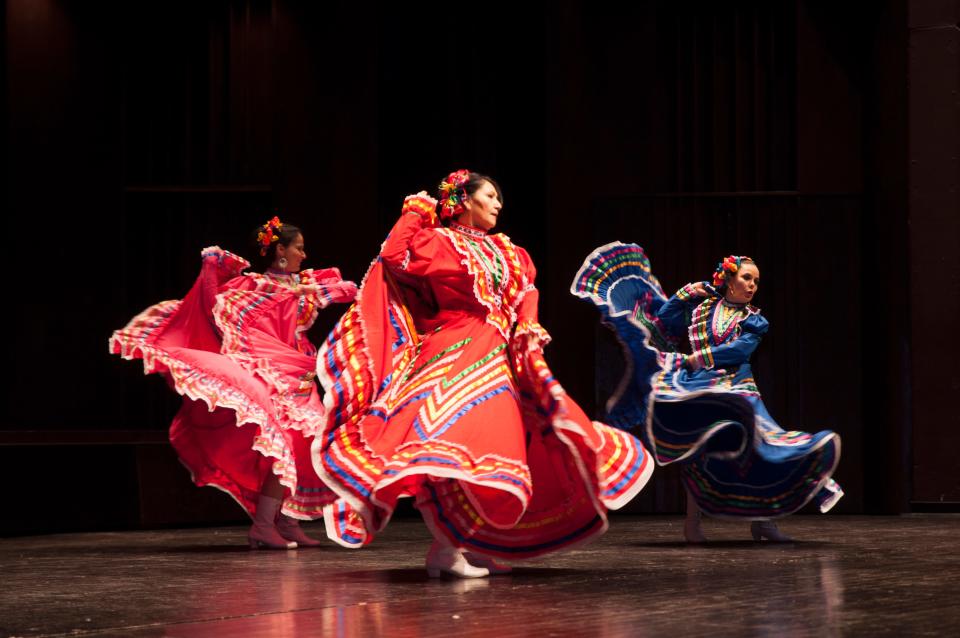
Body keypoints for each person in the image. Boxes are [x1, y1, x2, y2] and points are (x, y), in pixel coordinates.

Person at [312, 170, 654, 578]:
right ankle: (447, 548)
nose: (497, 204)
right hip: (453, 346)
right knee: (457, 437)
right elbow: (393, 255)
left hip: (498, 347)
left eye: (499, 199)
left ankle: (469, 545)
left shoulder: (509, 250)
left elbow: (526, 291)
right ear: (465, 199)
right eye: (490, 196)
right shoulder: (439, 242)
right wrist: (417, 210)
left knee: (494, 441)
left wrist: (527, 324)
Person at [110, 216, 357, 549]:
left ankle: (285, 521)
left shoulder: (303, 285)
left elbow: (345, 290)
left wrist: (323, 287)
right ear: (280, 250)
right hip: (274, 373)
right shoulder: (255, 286)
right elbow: (213, 305)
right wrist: (212, 267)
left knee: (302, 448)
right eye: (298, 248)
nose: (304, 253)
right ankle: (263, 524)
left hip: (301, 373)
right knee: (283, 445)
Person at [572, 243, 842, 542]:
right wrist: (685, 294)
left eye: (756, 281)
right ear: (728, 279)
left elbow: (741, 349)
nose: (752, 285)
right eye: (747, 278)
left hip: (739, 390)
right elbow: (663, 320)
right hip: (700, 386)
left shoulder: (754, 319)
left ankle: (763, 521)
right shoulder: (701, 309)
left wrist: (700, 358)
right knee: (696, 451)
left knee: (764, 445)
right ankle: (692, 524)